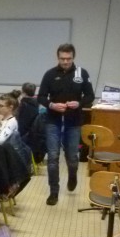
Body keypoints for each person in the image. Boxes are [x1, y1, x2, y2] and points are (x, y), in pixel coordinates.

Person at [38, 43, 94, 206]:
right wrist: (51, 105)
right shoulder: (50, 74)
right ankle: (53, 192)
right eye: (62, 58)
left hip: (73, 121)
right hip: (53, 121)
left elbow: (90, 95)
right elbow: (41, 96)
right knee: (53, 157)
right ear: (58, 57)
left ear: (73, 57)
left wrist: (79, 103)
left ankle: (72, 175)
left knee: (72, 157)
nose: (65, 62)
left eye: (68, 59)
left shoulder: (81, 73)